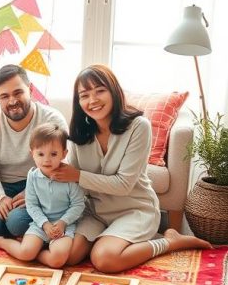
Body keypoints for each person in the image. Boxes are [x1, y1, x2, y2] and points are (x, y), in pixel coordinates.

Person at [50, 64, 211, 271]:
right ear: (78, 101)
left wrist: (78, 176)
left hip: (134, 209)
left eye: (100, 91)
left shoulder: (138, 126)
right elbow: (68, 178)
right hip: (95, 212)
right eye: (84, 95)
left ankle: (169, 241)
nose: (92, 100)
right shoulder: (81, 133)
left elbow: (123, 185)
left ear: (114, 91)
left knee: (104, 260)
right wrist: (34, 191)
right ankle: (110, 239)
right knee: (68, 256)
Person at [0, 64, 68, 238]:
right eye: (4, 96)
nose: (12, 101)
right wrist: (0, 197)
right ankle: (23, 230)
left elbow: (63, 163)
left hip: (41, 182)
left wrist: (33, 192)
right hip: (3, 185)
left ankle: (21, 231)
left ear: (31, 89)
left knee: (16, 223)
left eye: (18, 92)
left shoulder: (52, 119)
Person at [0, 122, 85, 266]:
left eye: (53, 154)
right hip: (40, 224)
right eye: (40, 154)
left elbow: (78, 204)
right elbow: (32, 205)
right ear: (32, 154)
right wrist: (44, 224)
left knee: (58, 260)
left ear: (64, 154)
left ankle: (37, 252)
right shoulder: (33, 176)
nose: (47, 160)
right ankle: (1, 242)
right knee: (25, 253)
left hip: (64, 225)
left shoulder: (69, 177)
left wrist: (62, 223)